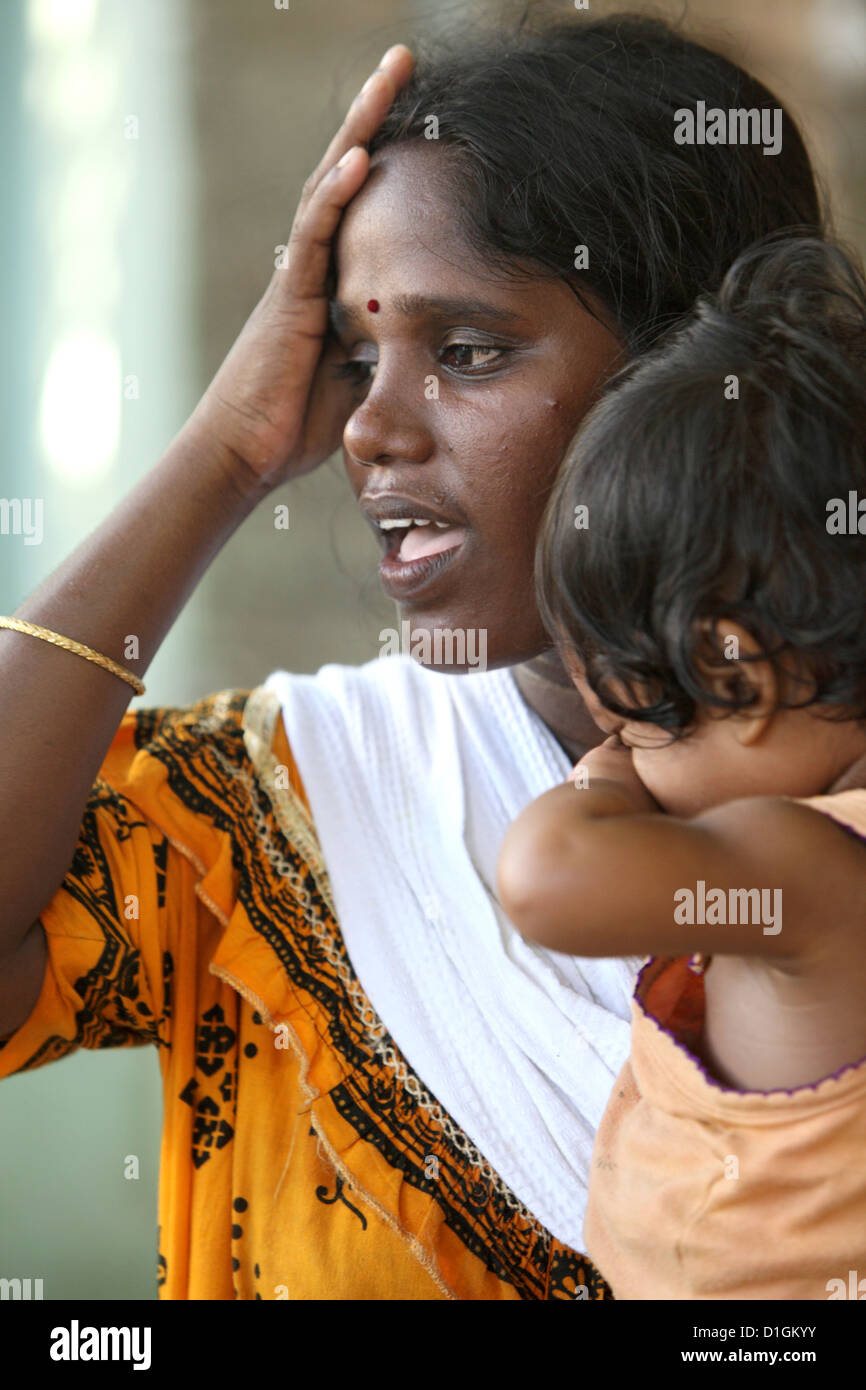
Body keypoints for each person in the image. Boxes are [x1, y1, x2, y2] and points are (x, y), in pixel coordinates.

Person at [0, 8, 855, 1300]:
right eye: (352, 361)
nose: (367, 428)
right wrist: (222, 453)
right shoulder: (278, 807)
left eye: (463, 351)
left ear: (688, 379)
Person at [497, 233, 866, 1300]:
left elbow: (544, 880)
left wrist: (603, 777)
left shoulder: (799, 863)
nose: (624, 759)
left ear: (728, 669)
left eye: (632, 718)